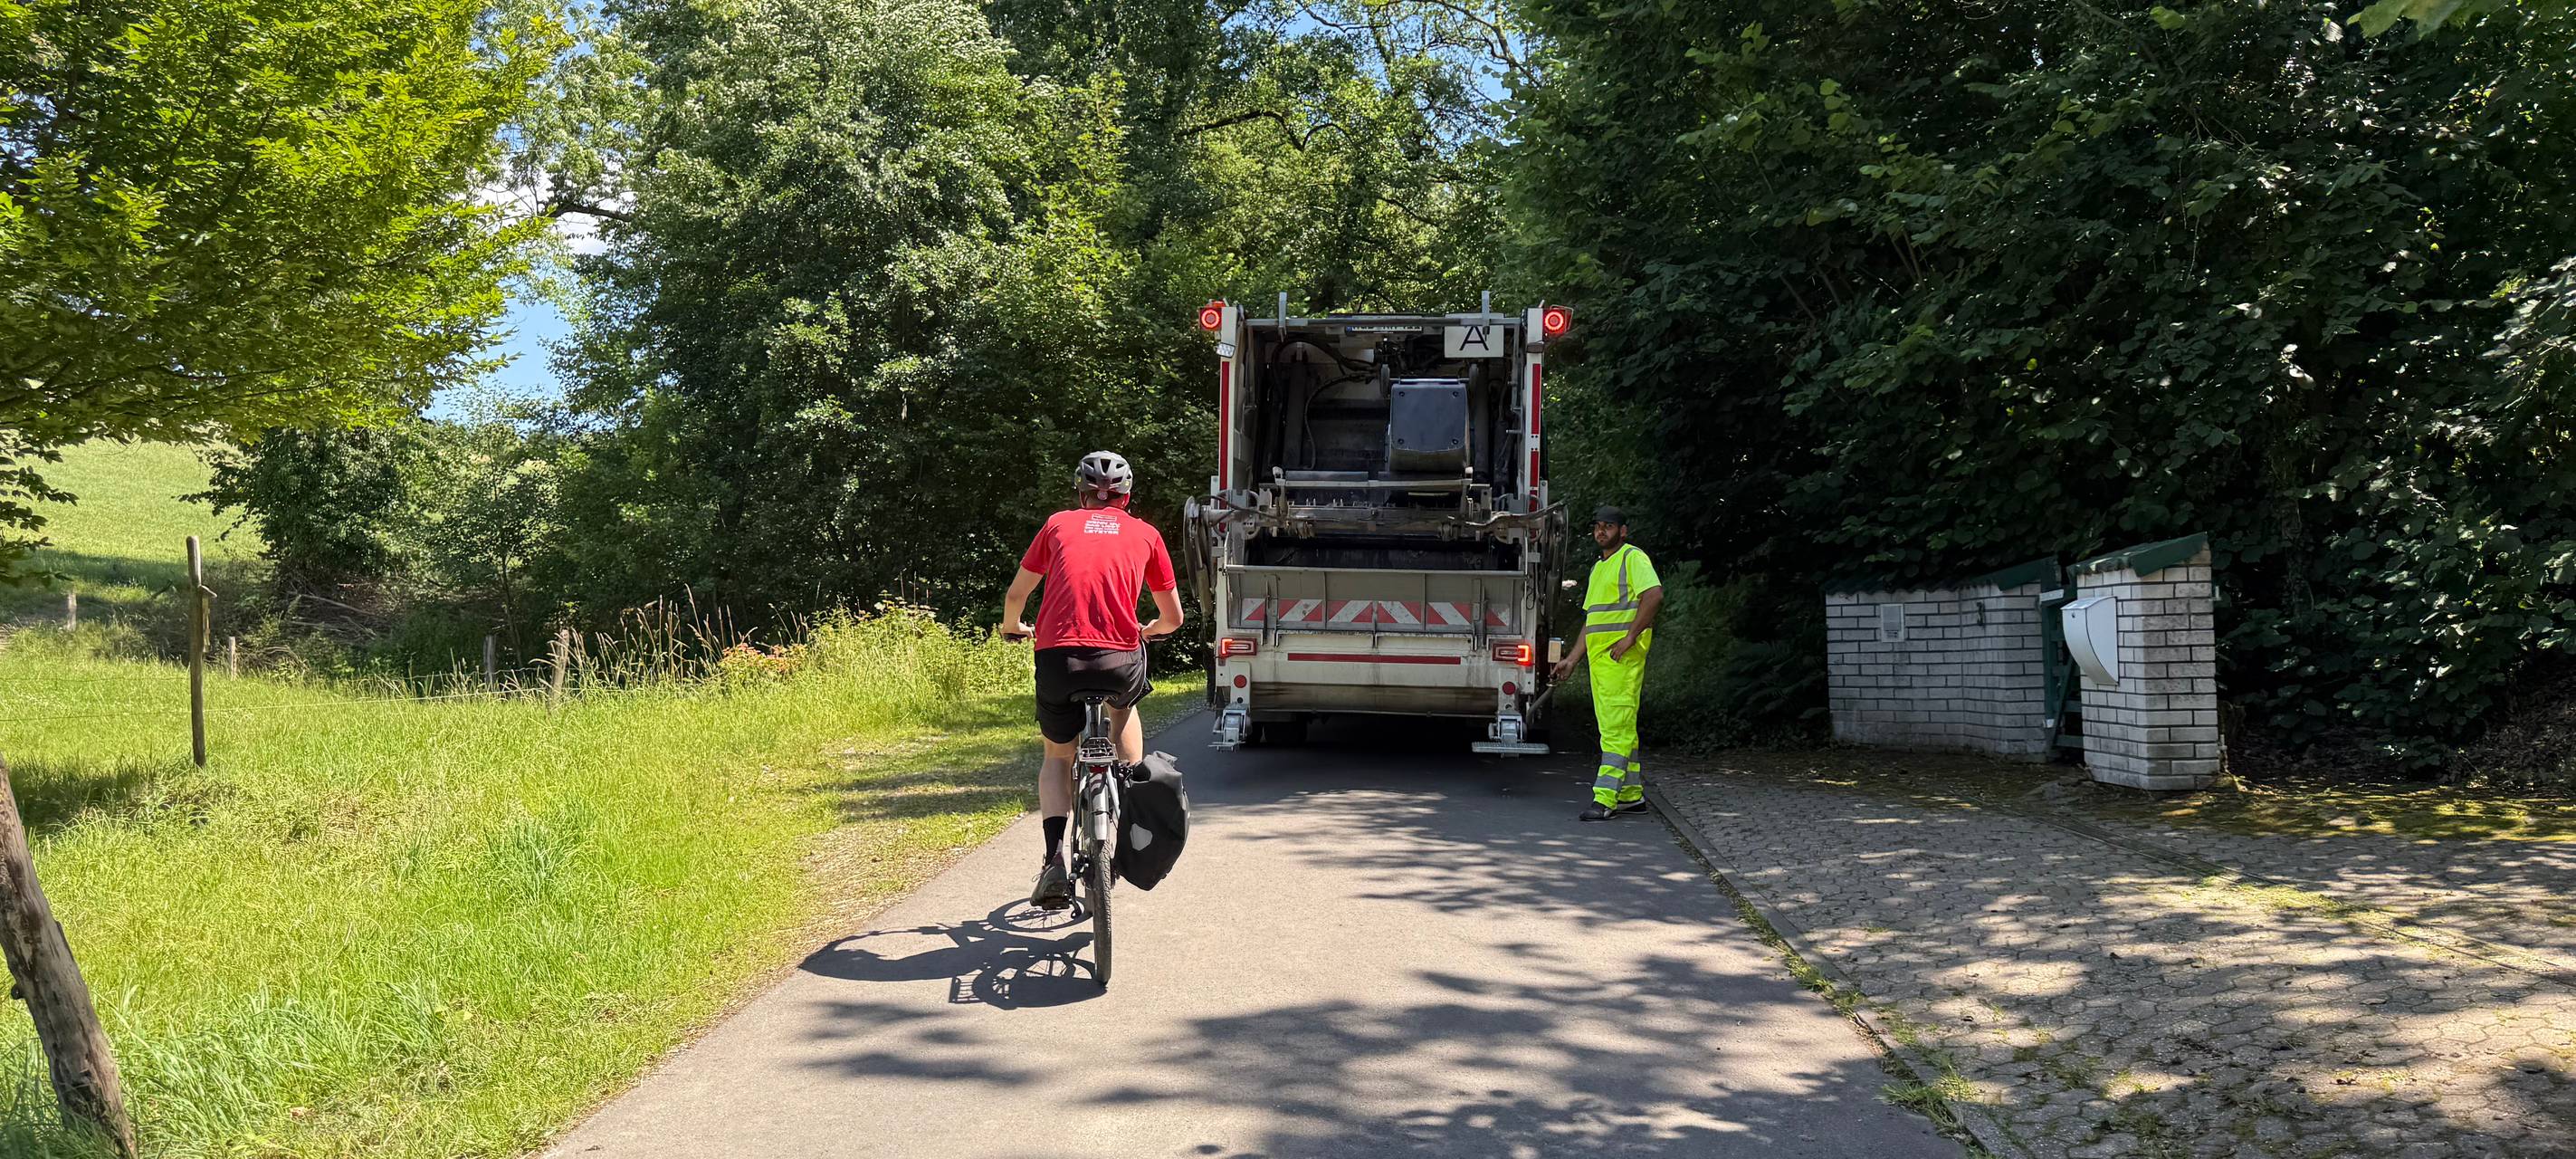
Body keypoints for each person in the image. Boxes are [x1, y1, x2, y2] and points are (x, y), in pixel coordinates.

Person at [1000, 451, 1184, 908]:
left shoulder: (1058, 525)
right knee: (1124, 709)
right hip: (1119, 658)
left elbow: (1017, 595)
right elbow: (1174, 618)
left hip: (1058, 657)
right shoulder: (1146, 533)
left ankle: (1052, 861)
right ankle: (1126, 784)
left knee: (1058, 758)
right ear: (1127, 497)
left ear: (1079, 493)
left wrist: (1012, 627)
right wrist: (1149, 631)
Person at [1550, 505, 1664, 822]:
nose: (1602, 531)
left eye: (1609, 526)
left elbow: (1653, 595)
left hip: (1621, 658)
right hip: (1602, 662)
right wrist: (1572, 659)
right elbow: (1593, 620)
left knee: (1615, 729)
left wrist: (1629, 638)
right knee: (1618, 728)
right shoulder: (1599, 567)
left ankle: (1605, 798)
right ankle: (1631, 796)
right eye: (1597, 526)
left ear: (1623, 530)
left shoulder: (1632, 558)